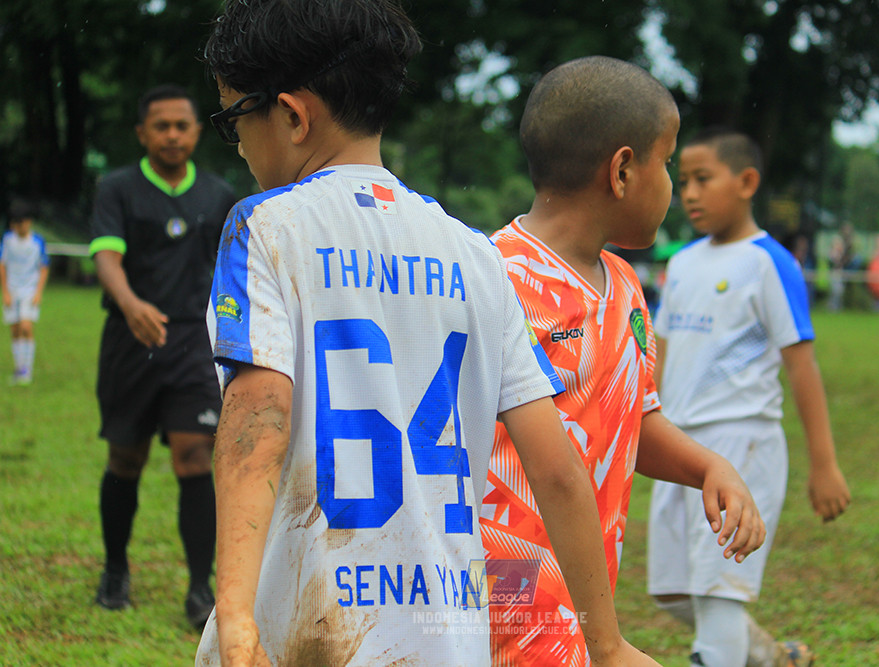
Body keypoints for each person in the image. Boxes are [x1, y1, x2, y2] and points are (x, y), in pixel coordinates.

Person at [196, 3, 662, 666]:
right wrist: (607, 644)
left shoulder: (264, 230)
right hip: (446, 638)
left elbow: (258, 423)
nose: (237, 143)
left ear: (294, 116)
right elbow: (558, 471)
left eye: (234, 118)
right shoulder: (475, 256)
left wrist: (237, 614)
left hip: (304, 629)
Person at [480, 57, 767, 666]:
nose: (674, 186)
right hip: (506, 595)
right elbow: (549, 467)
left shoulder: (626, 287)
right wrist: (607, 646)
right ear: (624, 169)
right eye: (667, 163)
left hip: (583, 603)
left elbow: (630, 425)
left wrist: (707, 467)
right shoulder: (493, 280)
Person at [647, 127, 852, 667]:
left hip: (742, 444)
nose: (688, 192)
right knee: (671, 590)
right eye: (683, 179)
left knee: (718, 596)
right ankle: (772, 658)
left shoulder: (769, 263)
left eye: (703, 179)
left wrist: (825, 465)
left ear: (746, 182)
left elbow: (801, 366)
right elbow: (661, 355)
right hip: (681, 449)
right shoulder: (684, 263)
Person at [88, 84, 237, 628]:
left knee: (195, 457)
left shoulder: (220, 196)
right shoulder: (119, 189)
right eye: (161, 126)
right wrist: (129, 304)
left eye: (182, 125)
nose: (172, 135)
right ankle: (114, 571)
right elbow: (106, 255)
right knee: (125, 459)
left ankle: (201, 589)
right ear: (142, 133)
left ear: (197, 132)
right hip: (131, 343)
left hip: (193, 347)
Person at [1, 198, 49, 385]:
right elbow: (2, 265)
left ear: (28, 222)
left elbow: (44, 267)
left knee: (26, 327)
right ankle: (19, 368)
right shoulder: (7, 240)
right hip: (12, 290)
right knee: (14, 329)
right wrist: (5, 291)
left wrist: (38, 292)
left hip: (29, 290)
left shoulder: (37, 242)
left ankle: (26, 371)